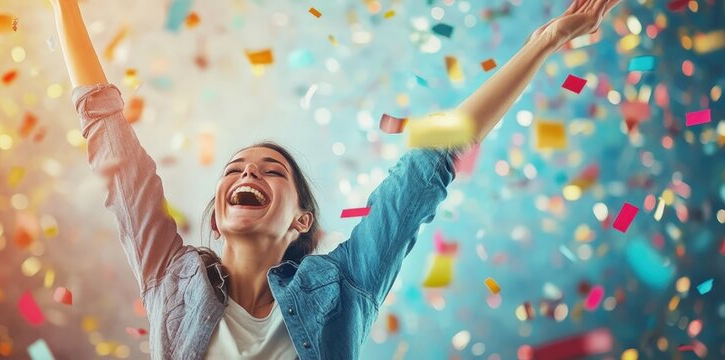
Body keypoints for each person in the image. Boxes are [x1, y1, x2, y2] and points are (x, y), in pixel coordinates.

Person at [48, 0, 621, 358]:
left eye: (271, 170)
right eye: (236, 171)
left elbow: (434, 157)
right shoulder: (168, 275)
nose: (248, 173)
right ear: (218, 213)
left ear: (301, 219)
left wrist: (543, 43)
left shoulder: (344, 284)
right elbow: (107, 130)